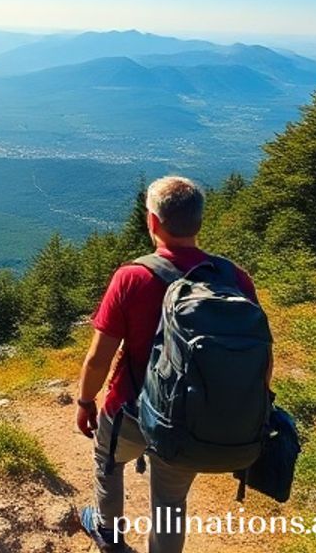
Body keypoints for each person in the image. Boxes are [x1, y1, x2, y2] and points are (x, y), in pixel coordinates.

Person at [75, 176, 271, 553]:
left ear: (152, 222)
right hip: (191, 420)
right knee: (170, 503)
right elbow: (262, 356)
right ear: (199, 221)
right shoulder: (234, 279)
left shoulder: (132, 277)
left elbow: (99, 357)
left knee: (108, 460)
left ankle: (108, 531)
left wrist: (85, 401)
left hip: (130, 410)